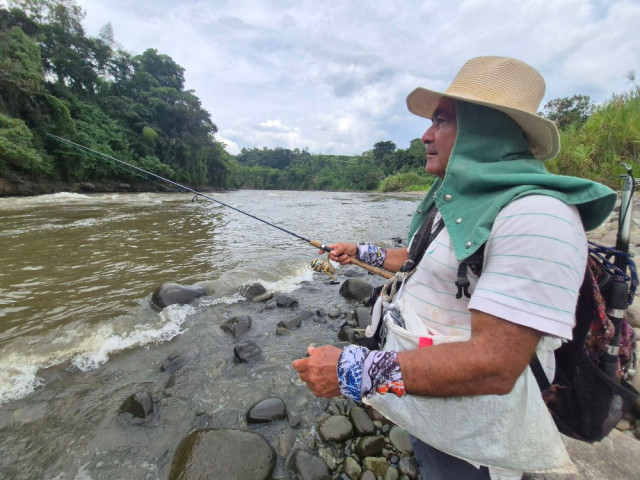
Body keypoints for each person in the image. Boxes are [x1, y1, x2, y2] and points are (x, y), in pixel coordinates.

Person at [292, 56, 616, 480]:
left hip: (474, 443)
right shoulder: (458, 203)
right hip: (428, 407)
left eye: (441, 121)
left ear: (487, 128)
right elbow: (416, 260)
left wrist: (352, 371)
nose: (426, 135)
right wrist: (360, 251)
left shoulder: (539, 218)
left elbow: (494, 365)